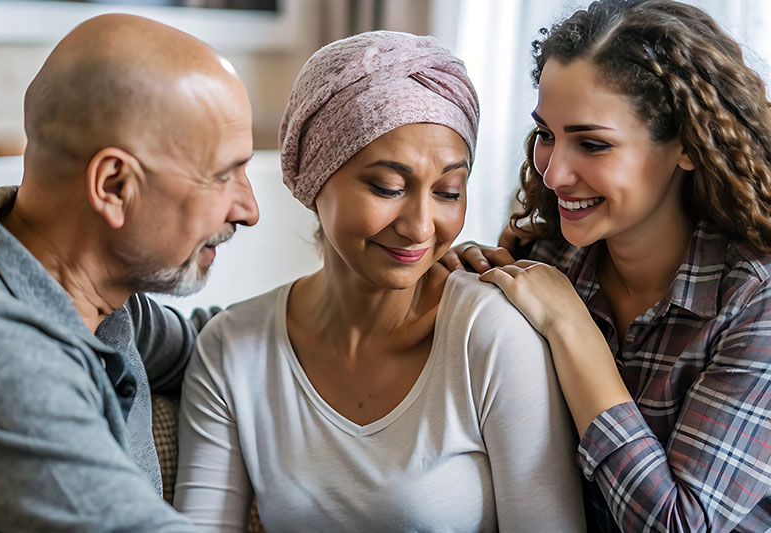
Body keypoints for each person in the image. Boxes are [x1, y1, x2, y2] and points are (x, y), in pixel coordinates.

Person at [173, 30, 586, 532]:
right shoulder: (231, 350)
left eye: (449, 192)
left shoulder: (492, 333)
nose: (420, 226)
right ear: (314, 177)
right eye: (388, 187)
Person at [443, 0, 771, 531]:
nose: (552, 175)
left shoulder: (755, 298)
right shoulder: (550, 258)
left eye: (592, 143)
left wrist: (571, 327)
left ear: (689, 146)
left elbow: (678, 524)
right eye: (547, 135)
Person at [0, 14, 259, 531]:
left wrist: (392, 295)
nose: (249, 209)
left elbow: (220, 341)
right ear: (113, 185)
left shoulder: (105, 305)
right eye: (223, 175)